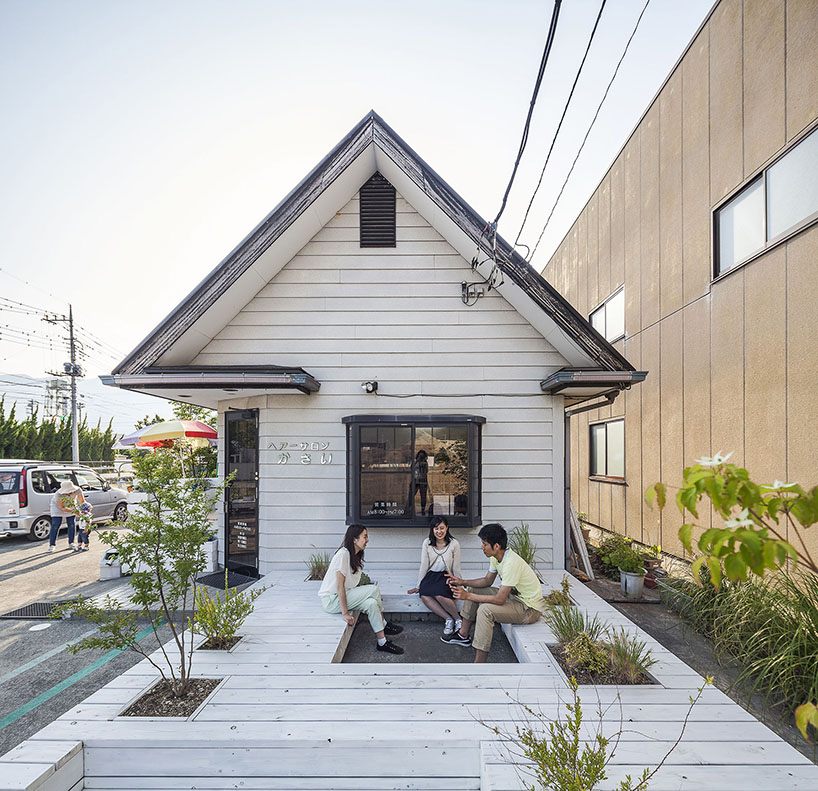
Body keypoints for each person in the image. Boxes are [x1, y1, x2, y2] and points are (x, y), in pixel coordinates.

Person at [443, 522, 546, 662]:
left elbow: (499, 600)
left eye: (485, 544)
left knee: (485, 610)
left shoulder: (510, 563)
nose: (482, 547)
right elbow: (487, 581)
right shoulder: (496, 557)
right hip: (514, 598)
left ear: (496, 546)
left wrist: (467, 595)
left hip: (529, 609)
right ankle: (463, 635)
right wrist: (463, 582)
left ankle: (479, 663)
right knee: (474, 588)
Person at [319, 524, 405, 654]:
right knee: (373, 590)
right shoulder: (343, 554)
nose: (367, 540)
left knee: (371, 603)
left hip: (343, 596)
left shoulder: (356, 556)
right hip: (331, 599)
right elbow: (339, 586)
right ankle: (384, 624)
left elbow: (350, 586)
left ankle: (382, 642)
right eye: (364, 537)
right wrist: (345, 614)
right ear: (354, 539)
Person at [407, 516, 462, 637]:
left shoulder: (454, 544)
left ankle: (458, 619)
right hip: (431, 575)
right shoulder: (427, 543)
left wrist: (459, 583)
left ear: (447, 528)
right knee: (424, 593)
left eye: (442, 528)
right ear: (432, 530)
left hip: (446, 575)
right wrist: (418, 585)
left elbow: (456, 566)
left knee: (439, 593)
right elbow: (424, 564)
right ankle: (448, 619)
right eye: (436, 528)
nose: (439, 531)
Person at [49, 480, 84, 553]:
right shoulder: (58, 494)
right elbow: (62, 508)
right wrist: (74, 511)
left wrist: (83, 510)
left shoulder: (77, 490)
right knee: (56, 524)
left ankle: (71, 543)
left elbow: (82, 501)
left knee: (71, 524)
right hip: (57, 507)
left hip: (71, 505)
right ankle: (52, 545)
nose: (70, 493)